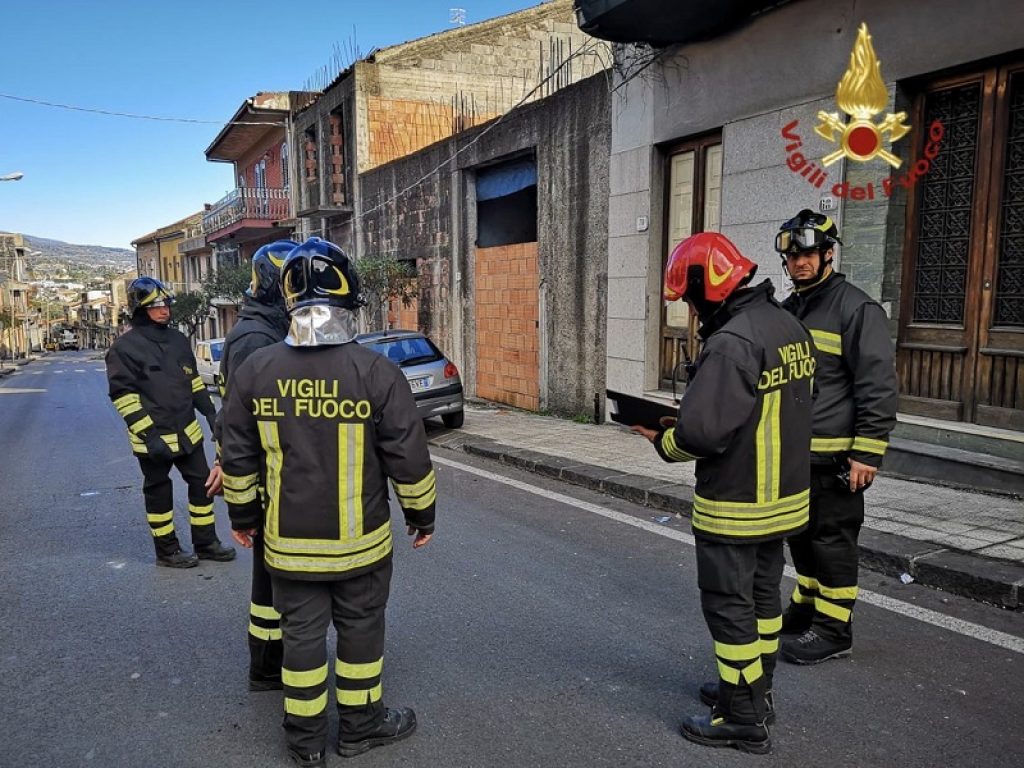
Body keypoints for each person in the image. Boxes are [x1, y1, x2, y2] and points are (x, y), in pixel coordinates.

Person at [220, 237, 435, 767]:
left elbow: (238, 456)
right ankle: (361, 729)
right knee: (362, 634)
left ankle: (305, 743)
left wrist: (244, 519)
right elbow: (409, 458)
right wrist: (421, 516)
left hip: (289, 548)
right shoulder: (377, 371)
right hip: (361, 546)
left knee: (301, 643)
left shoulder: (255, 371)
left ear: (287, 298)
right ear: (349, 296)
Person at [631, 232, 813, 754]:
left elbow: (702, 435)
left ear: (709, 287)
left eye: (689, 298)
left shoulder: (732, 342)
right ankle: (756, 692)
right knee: (762, 602)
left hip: (737, 505)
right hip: (784, 501)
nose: (689, 308)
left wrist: (663, 437)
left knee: (730, 608)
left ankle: (741, 718)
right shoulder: (787, 325)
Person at [774, 209, 897, 665]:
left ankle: (833, 629)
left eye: (808, 253)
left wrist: (868, 450)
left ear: (828, 254)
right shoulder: (788, 311)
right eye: (792, 255)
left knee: (833, 541)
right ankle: (806, 608)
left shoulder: (856, 308)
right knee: (801, 537)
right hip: (795, 455)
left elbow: (877, 385)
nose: (799, 262)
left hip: (838, 458)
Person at [105, 276, 235, 568]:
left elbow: (193, 382)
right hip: (154, 440)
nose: (165, 310)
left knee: (203, 486)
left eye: (166, 304)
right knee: (159, 492)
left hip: (187, 432)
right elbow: (123, 396)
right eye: (157, 306)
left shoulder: (177, 340)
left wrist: (212, 415)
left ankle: (206, 543)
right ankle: (167, 551)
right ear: (141, 309)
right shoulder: (124, 349)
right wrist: (149, 436)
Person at [214, 239, 297, 692]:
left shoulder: (267, 328)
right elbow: (238, 413)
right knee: (270, 577)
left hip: (271, 468)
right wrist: (226, 460)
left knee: (273, 575)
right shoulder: (254, 338)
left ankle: (273, 657)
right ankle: (267, 664)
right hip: (266, 475)